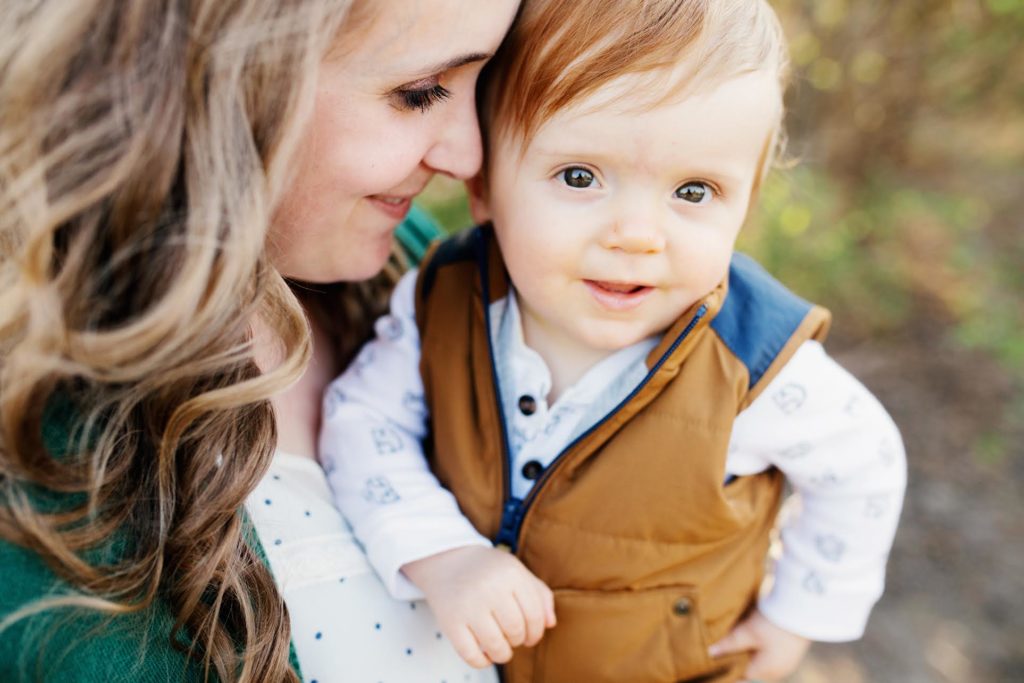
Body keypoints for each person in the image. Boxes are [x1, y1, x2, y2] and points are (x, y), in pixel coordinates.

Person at [319, 0, 907, 681]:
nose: (637, 233)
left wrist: (797, 614)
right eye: (580, 177)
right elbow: (363, 420)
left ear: (745, 205)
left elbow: (866, 461)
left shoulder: (752, 363)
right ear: (484, 186)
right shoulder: (444, 300)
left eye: (694, 190)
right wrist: (444, 556)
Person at [0, 0, 519, 681]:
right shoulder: (44, 453)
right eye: (418, 94)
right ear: (205, 74)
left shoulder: (430, 281)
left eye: (493, 79)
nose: (469, 156)